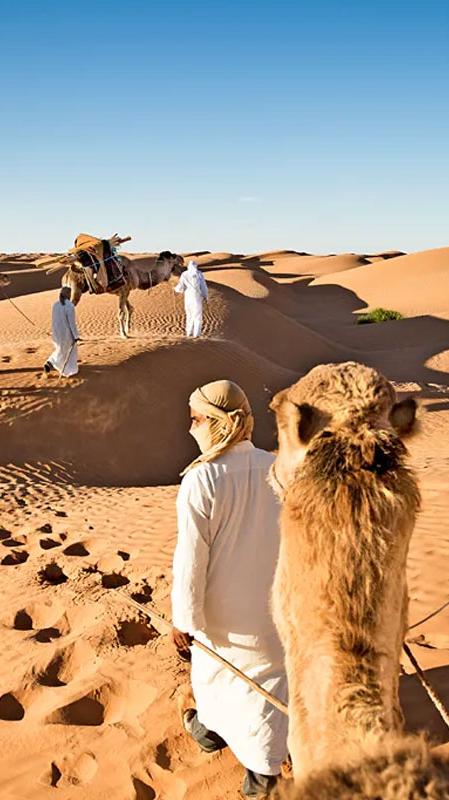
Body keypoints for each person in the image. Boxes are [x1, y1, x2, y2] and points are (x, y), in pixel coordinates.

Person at [171, 380, 288, 798]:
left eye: (196, 420)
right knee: (267, 681)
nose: (191, 430)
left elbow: (191, 557)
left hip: (223, 615)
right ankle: (213, 733)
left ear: (217, 423)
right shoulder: (278, 467)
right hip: (279, 609)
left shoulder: (202, 479)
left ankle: (261, 777)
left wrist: (183, 620)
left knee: (226, 677)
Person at [44, 286, 79, 377]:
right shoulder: (70, 306)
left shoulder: (55, 305)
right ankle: (68, 371)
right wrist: (76, 336)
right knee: (68, 352)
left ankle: (50, 362)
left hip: (56, 332)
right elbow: (72, 323)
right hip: (67, 334)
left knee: (60, 349)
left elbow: (54, 320)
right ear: (68, 295)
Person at [174, 259, 209, 337]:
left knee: (189, 315)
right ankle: (196, 334)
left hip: (188, 299)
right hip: (197, 298)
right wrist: (206, 296)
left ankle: (189, 332)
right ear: (196, 266)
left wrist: (176, 290)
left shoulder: (184, 274)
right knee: (197, 316)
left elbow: (181, 287)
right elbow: (203, 286)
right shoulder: (199, 273)